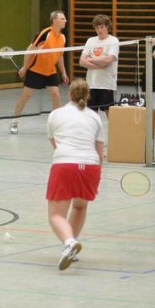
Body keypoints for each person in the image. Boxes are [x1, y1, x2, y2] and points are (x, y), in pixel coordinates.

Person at [46, 79, 104, 271]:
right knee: (79, 206)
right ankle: (72, 247)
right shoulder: (95, 117)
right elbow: (99, 150)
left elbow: (55, 144)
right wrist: (97, 172)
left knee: (56, 215)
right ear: (87, 96)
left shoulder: (55, 115)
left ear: (69, 94)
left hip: (65, 164)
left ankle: (69, 242)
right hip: (90, 167)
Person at [10, 10, 70, 134]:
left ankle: (56, 124)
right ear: (54, 20)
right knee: (26, 96)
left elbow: (60, 56)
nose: (65, 21)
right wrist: (24, 67)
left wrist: (63, 72)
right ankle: (14, 122)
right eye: (62, 19)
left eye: (65, 19)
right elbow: (30, 49)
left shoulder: (62, 37)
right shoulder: (44, 34)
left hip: (51, 71)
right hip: (36, 70)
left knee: (56, 95)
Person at [78, 14, 119, 112]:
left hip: (106, 84)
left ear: (107, 27)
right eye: (97, 28)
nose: (99, 30)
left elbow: (108, 60)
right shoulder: (90, 41)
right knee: (91, 113)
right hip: (91, 83)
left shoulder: (113, 40)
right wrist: (100, 64)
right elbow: (82, 61)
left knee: (109, 112)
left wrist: (91, 60)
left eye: (102, 27)